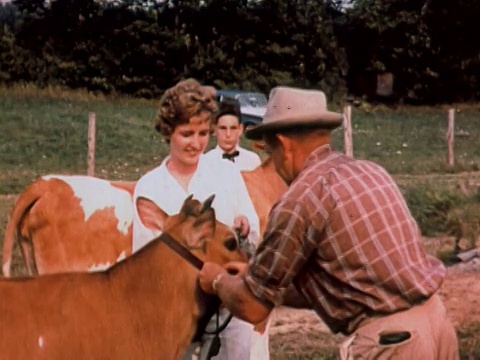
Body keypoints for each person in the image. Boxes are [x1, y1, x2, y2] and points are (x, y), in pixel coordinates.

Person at [199, 86, 459, 359]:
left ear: (284, 146)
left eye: (270, 153)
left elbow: (253, 307)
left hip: (394, 343)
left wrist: (216, 279)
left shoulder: (300, 199)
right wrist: (256, 277)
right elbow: (344, 283)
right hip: (438, 324)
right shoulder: (370, 171)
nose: (273, 164)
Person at [131, 78, 269, 360]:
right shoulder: (150, 186)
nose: (196, 143)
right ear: (168, 133)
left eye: (203, 133)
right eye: (187, 134)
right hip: (176, 314)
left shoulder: (226, 174)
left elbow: (252, 231)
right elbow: (144, 260)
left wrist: (244, 227)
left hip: (226, 309)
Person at [204, 98, 262, 171]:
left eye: (233, 128)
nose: (228, 134)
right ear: (215, 130)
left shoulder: (253, 160)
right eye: (223, 128)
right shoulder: (205, 163)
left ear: (240, 129)